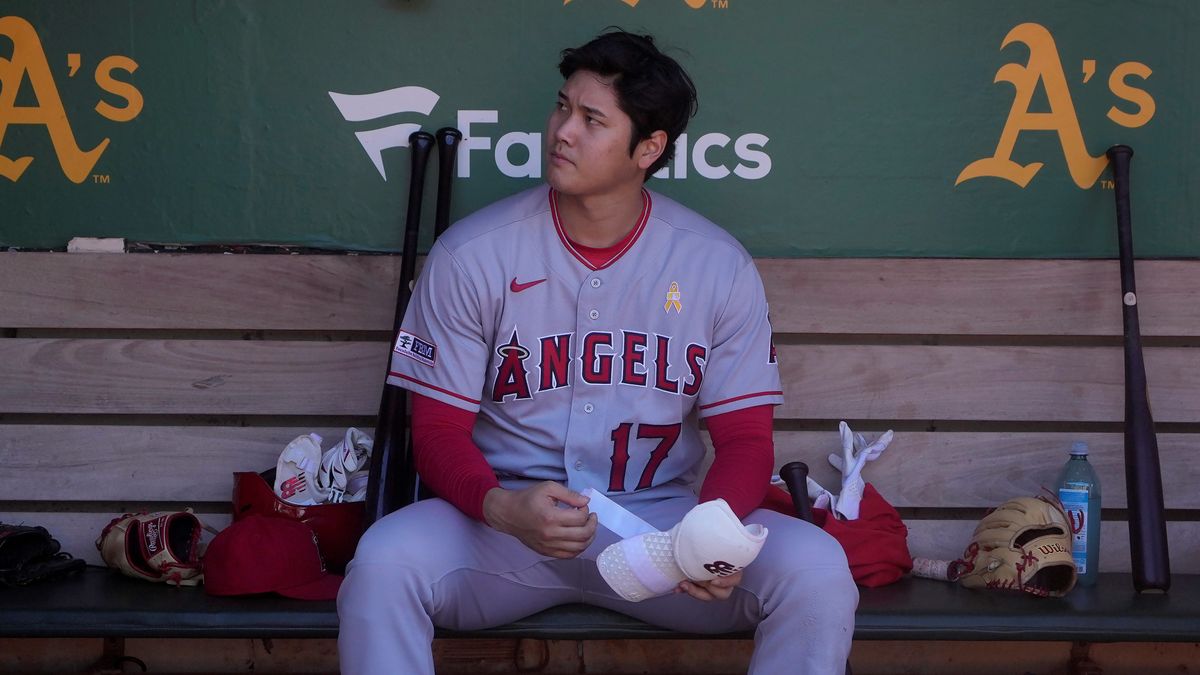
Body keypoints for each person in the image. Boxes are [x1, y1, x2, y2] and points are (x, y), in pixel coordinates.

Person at [337, 29, 857, 674]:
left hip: (661, 527)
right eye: (562, 108)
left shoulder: (714, 265)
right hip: (502, 525)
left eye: (591, 119)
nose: (563, 131)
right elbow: (437, 430)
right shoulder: (474, 255)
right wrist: (498, 505)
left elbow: (746, 439)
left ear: (649, 147)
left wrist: (706, 542)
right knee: (384, 562)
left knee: (816, 567)